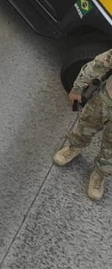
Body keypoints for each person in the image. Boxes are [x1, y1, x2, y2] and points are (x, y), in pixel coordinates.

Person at [52, 49, 112, 201]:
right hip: (106, 99)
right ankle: (74, 147)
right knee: (86, 125)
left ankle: (100, 174)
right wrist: (78, 87)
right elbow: (100, 63)